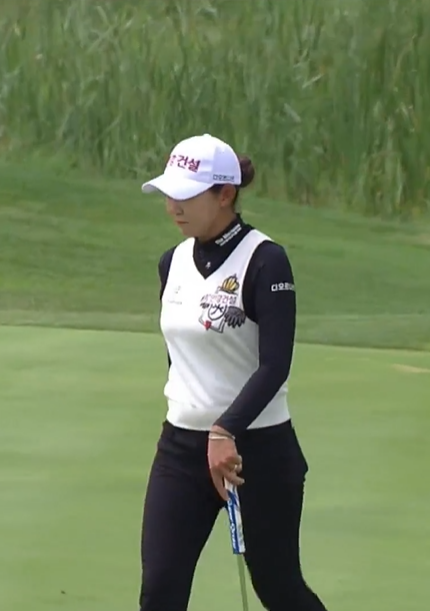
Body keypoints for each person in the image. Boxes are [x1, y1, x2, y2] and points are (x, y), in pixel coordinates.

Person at [136, 134, 329, 611]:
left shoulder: (266, 261)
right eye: (169, 195)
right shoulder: (171, 263)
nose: (173, 207)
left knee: (279, 588)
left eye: (186, 196)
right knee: (159, 589)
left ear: (225, 194)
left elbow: (275, 364)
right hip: (181, 450)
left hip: (256, 452)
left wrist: (225, 429)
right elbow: (181, 355)